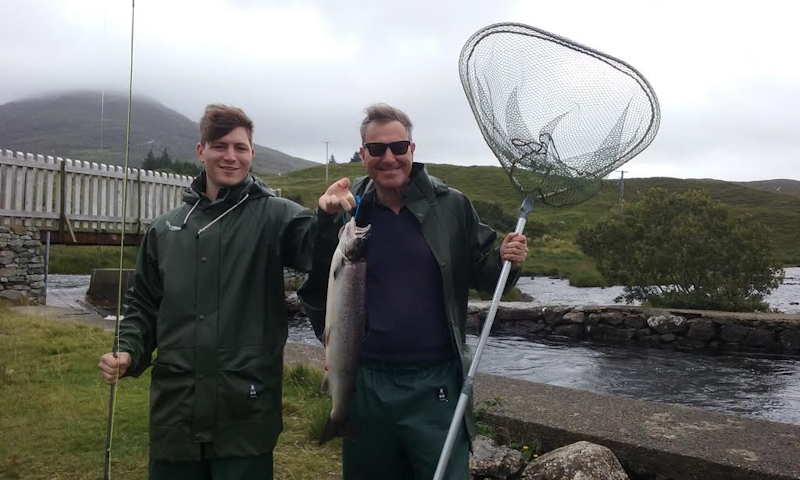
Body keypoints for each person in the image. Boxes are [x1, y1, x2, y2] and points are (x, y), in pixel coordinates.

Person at [98, 104, 338, 480]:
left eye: (240, 148)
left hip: (246, 408)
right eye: (220, 146)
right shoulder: (165, 230)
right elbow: (143, 304)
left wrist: (326, 217)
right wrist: (128, 350)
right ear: (201, 151)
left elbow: (315, 251)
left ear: (252, 154)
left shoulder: (275, 216)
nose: (231, 157)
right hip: (176, 411)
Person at [307, 103, 529, 479]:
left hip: (436, 382)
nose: (389, 157)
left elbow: (488, 278)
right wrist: (325, 219)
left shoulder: (452, 206)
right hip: (366, 380)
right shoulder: (348, 211)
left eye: (398, 147)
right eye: (377, 150)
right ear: (363, 155)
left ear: (413, 149)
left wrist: (509, 262)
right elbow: (317, 284)